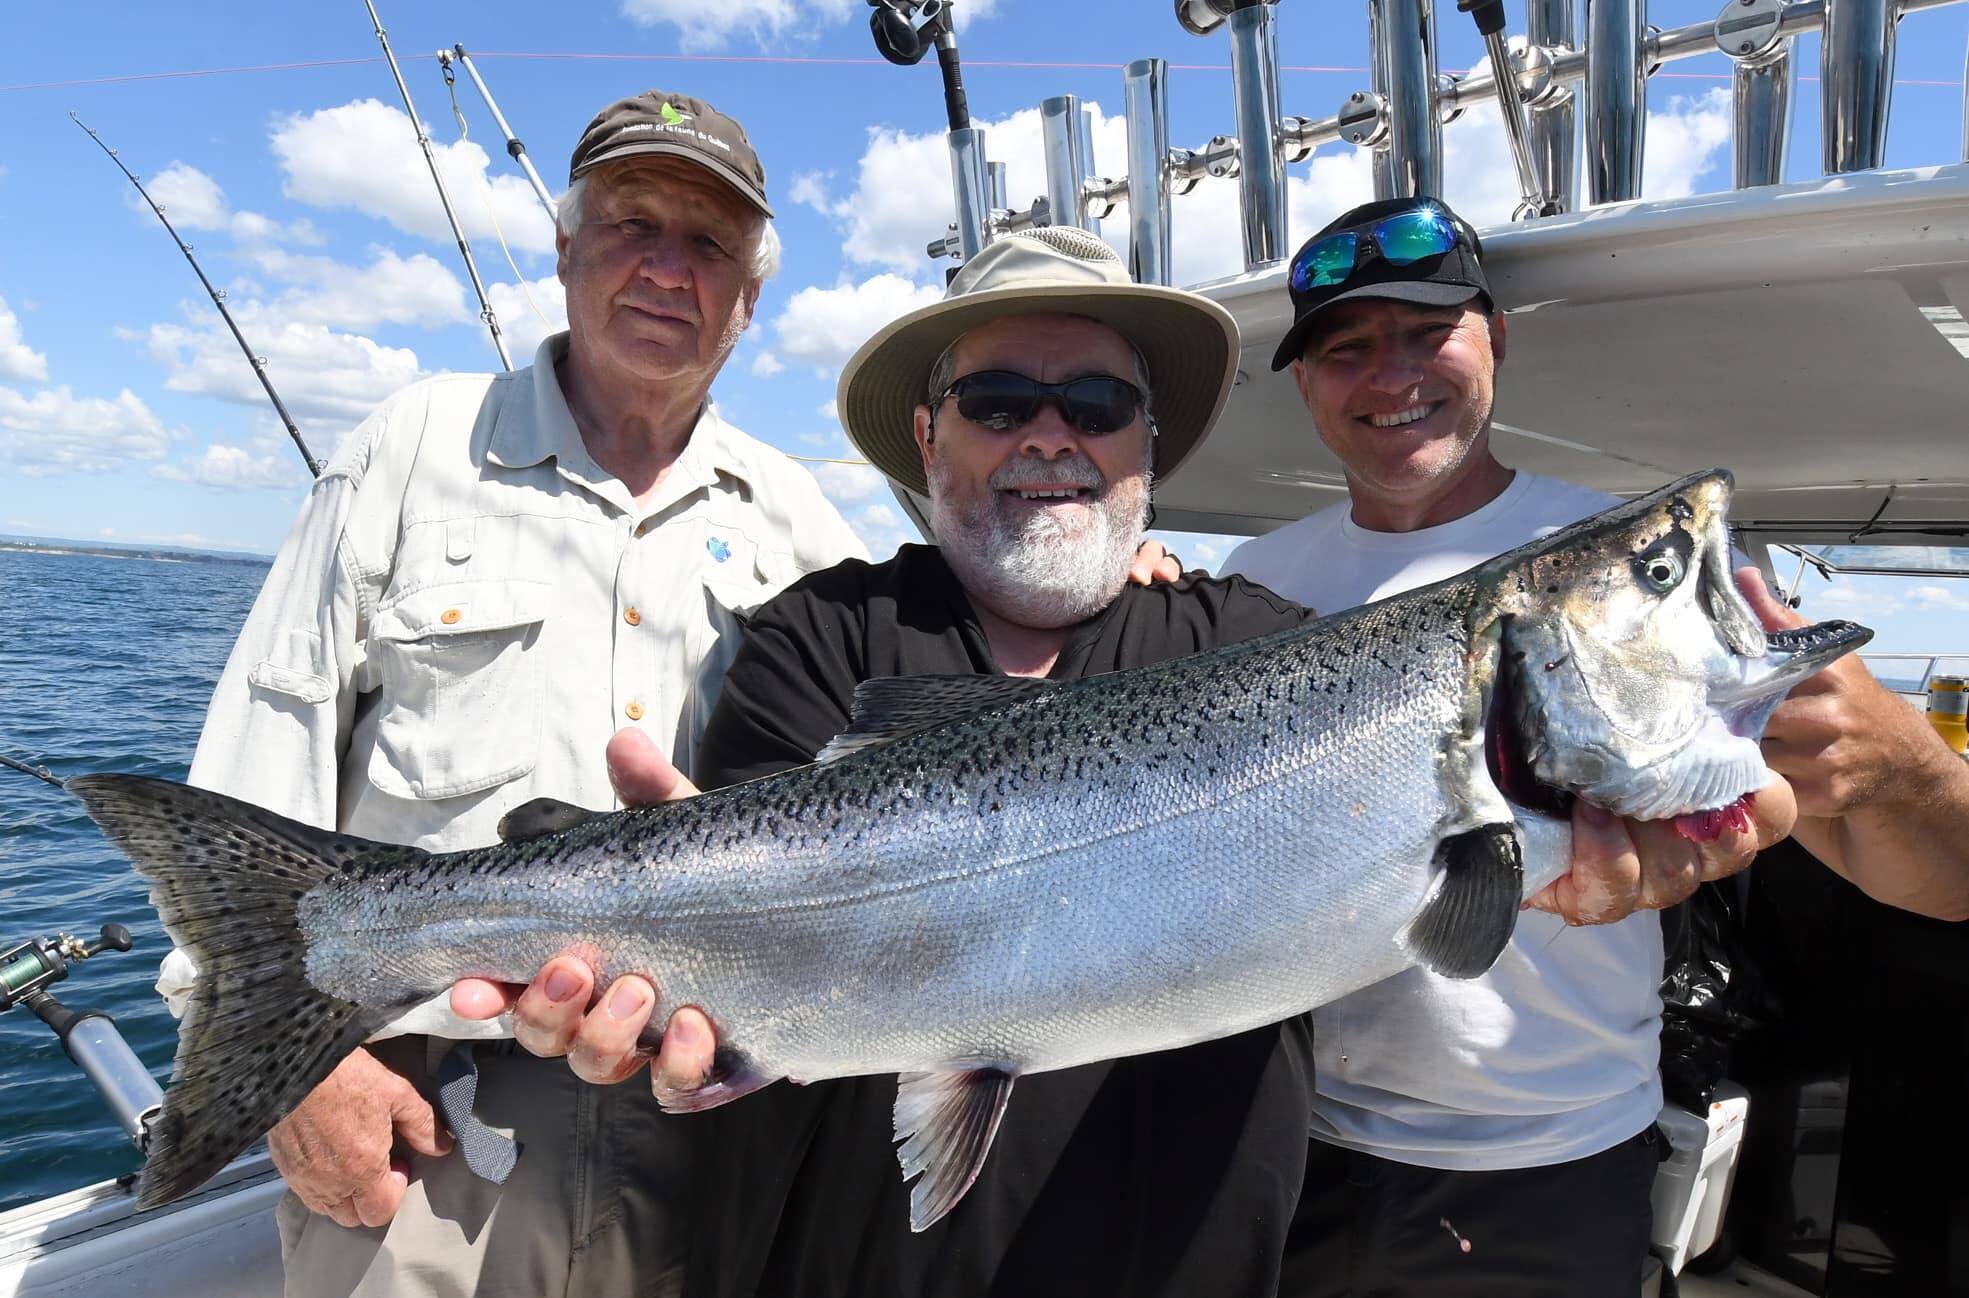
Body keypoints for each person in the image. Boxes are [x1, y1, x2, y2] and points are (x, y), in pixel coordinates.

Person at [473, 224, 1790, 1296]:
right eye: (999, 397)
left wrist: (1729, 807)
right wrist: (643, 946)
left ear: (1144, 447)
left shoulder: (1253, 638)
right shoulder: (817, 637)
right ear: (928, 437)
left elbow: (1733, 794)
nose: (1051, 433)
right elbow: (728, 989)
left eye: (1097, 402)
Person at [180, 89, 867, 1297]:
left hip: (707, 1111)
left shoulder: (802, 520)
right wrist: (288, 1070)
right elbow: (262, 744)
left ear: (751, 298)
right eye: (630, 223)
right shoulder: (407, 447)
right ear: (564, 251)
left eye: (708, 244)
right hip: (421, 1111)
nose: (666, 268)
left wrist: (1140, 585)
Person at [1221, 194, 1944, 1297]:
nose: (1390, 373)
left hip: (1550, 1166)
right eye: (1346, 347)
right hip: (1283, 1140)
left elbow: (1942, 879)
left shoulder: (1633, 571)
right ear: (1307, 381)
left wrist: (1905, 761)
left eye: (1427, 331)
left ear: (1493, 337)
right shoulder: (1242, 587)